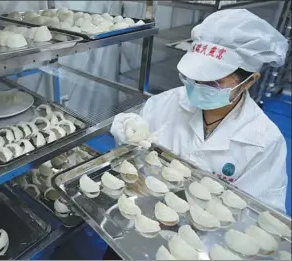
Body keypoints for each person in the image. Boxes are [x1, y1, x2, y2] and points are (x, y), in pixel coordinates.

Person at [105, 8, 288, 260]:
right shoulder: (168, 102)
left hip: (206, 244)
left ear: (249, 81)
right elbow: (128, 134)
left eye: (213, 82)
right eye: (193, 77)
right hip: (144, 216)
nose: (196, 87)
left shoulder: (264, 141)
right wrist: (128, 128)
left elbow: (261, 221)